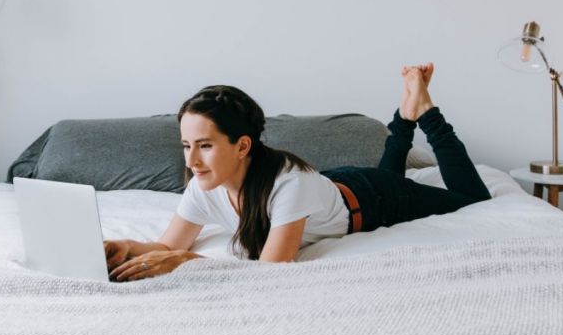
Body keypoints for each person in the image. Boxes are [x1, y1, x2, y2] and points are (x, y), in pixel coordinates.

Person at [105, 63, 491, 281]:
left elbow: (273, 272)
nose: (192, 161)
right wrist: (125, 247)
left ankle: (423, 112)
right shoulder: (204, 185)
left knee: (472, 200)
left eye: (205, 145)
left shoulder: (289, 184)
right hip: (334, 188)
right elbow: (168, 245)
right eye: (187, 146)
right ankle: (404, 116)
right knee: (391, 173)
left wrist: (187, 263)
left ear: (242, 146)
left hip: (373, 200)